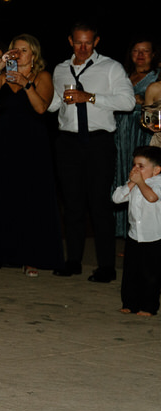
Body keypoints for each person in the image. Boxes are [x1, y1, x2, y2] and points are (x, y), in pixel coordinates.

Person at [0, 35, 64, 275]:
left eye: (24, 50)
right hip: (1, 140)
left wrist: (26, 84)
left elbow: (42, 108)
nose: (18, 54)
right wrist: (1, 65)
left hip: (31, 143)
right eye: (15, 50)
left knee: (29, 198)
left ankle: (31, 257)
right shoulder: (3, 76)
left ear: (34, 55)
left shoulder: (41, 76)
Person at [48, 22, 133, 281]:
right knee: (72, 204)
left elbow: (128, 103)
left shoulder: (111, 67)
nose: (82, 48)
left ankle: (106, 267)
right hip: (67, 142)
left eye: (88, 42)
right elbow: (53, 104)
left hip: (98, 142)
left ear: (96, 41)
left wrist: (91, 97)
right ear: (70, 41)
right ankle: (73, 261)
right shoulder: (61, 69)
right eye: (78, 42)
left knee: (99, 205)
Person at [114, 41, 158, 236]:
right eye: (136, 51)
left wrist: (141, 104)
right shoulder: (122, 75)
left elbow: (150, 119)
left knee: (145, 178)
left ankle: (146, 232)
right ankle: (125, 231)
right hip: (119, 132)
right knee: (122, 176)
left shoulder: (156, 79)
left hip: (143, 136)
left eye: (145, 51)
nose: (140, 55)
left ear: (153, 54)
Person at [114, 146, 161, 317]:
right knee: (130, 273)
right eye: (134, 165)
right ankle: (129, 303)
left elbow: (152, 197)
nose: (135, 169)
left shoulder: (158, 183)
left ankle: (148, 307)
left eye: (141, 166)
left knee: (151, 274)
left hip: (154, 237)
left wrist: (140, 182)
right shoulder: (134, 184)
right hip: (134, 236)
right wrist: (133, 182)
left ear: (156, 170)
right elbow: (116, 198)